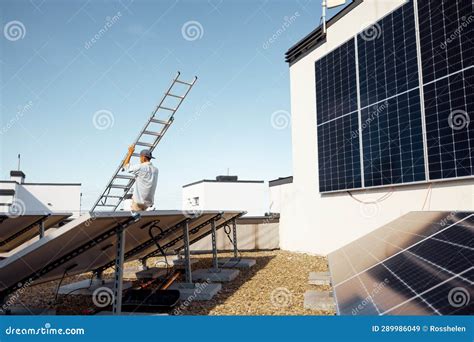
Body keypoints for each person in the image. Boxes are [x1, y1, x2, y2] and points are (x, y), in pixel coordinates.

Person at [122, 144, 159, 212]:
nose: (140, 159)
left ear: (143, 157)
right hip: (149, 202)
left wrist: (130, 153)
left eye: (140, 157)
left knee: (135, 220)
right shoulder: (156, 170)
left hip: (138, 202)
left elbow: (126, 166)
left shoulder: (140, 167)